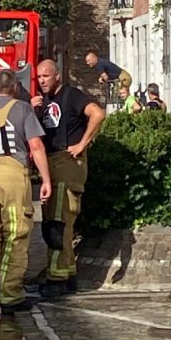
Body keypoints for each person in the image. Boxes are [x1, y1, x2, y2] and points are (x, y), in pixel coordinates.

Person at [0, 70, 53, 316]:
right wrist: (45, 179)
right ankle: (10, 295)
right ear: (15, 88)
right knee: (16, 235)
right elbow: (35, 146)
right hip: (13, 176)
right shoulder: (24, 109)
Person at [32, 59, 106, 298]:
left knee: (58, 222)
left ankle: (57, 278)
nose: (42, 81)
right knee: (54, 220)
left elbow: (98, 113)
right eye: (39, 77)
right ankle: (68, 272)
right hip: (52, 162)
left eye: (46, 76)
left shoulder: (72, 95)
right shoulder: (44, 102)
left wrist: (82, 144)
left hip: (67, 162)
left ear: (57, 76)